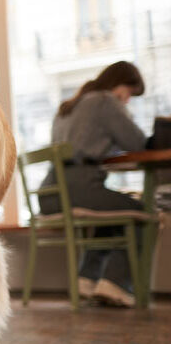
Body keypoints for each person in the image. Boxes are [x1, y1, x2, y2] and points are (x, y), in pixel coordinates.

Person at [38, 61, 147, 307]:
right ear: (117, 83)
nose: (127, 100)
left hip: (49, 193)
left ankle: (87, 280)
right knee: (142, 210)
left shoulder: (68, 106)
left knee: (113, 212)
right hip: (78, 187)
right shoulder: (104, 101)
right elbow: (137, 142)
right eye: (128, 93)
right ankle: (115, 283)